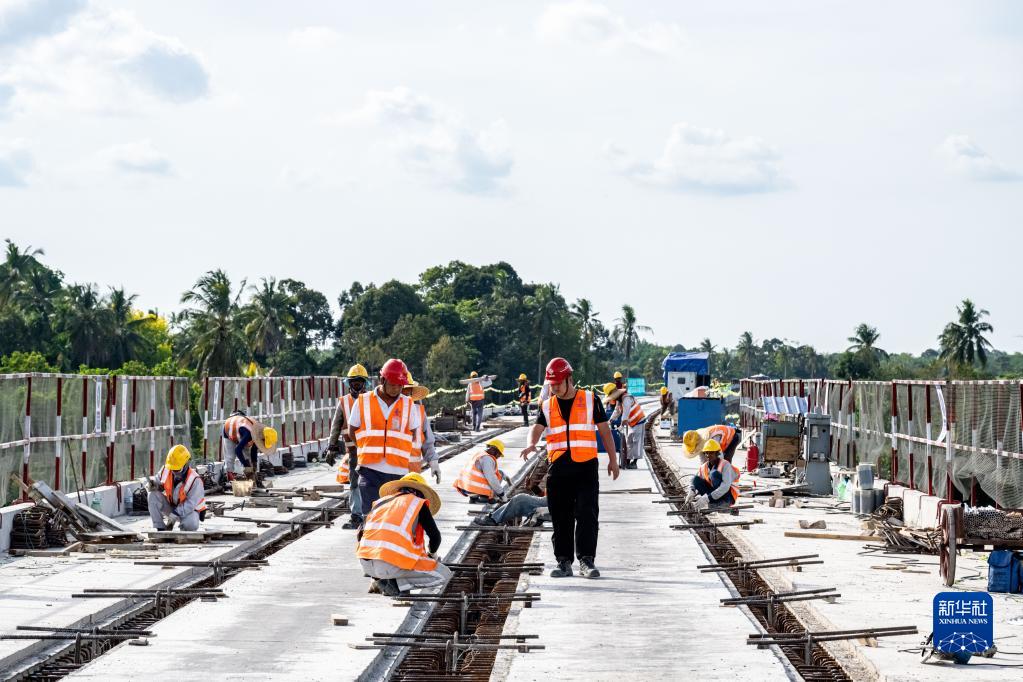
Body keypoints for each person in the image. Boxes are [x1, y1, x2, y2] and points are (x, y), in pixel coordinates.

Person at [521, 357, 619, 579]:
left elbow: (605, 431)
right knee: (560, 516)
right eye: (551, 384)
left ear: (569, 379)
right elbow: (537, 427)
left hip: (585, 467)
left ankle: (586, 560)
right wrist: (531, 443)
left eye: (557, 383)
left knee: (587, 513)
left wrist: (613, 460)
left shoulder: (590, 399)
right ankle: (563, 562)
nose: (554, 388)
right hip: (559, 467)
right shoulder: (547, 405)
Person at [347, 358, 422, 520]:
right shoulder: (363, 401)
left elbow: (414, 435)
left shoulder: (408, 404)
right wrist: (366, 448)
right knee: (371, 517)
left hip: (398, 472)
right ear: (382, 380)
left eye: (400, 385)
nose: (396, 389)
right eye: (393, 384)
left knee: (393, 519)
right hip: (369, 470)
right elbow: (352, 431)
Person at [356, 472, 451, 597]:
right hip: (389, 566)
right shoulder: (417, 503)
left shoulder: (380, 503)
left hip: (366, 566)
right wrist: (432, 555)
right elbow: (435, 536)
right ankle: (395, 584)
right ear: (421, 492)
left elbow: (361, 533)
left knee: (392, 562)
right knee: (444, 575)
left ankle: (380, 580)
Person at [326, 363, 370, 529]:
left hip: (370, 449)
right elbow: (336, 426)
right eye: (354, 382)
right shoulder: (344, 402)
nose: (357, 385)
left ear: (364, 383)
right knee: (354, 482)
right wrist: (331, 447)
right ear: (349, 384)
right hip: (353, 451)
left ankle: (371, 514)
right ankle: (356, 516)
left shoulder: (372, 400)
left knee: (370, 482)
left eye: (359, 382)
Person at [148, 444, 206, 531]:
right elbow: (156, 481)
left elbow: (190, 504)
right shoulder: (166, 470)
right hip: (171, 506)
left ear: (185, 465)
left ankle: (183, 529)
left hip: (188, 512)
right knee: (152, 494)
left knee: (191, 525)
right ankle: (160, 528)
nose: (174, 472)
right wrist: (151, 485)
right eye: (172, 469)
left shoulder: (195, 480)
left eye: (177, 469)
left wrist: (175, 514)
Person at [403, 373, 441, 485]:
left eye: (408, 393)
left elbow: (427, 441)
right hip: (390, 474)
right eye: (403, 392)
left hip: (412, 475)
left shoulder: (419, 413)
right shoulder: (386, 413)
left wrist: (434, 462)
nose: (406, 396)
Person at [222, 412, 278, 481]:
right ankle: (230, 477)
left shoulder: (259, 433)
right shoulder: (249, 434)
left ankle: (250, 478)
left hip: (241, 429)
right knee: (230, 456)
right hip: (229, 427)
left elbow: (254, 449)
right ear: (263, 439)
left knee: (247, 456)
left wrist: (254, 464)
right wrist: (246, 466)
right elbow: (237, 450)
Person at [603, 383, 646, 469]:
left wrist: (621, 426)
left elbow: (625, 413)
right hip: (631, 422)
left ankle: (634, 463)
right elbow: (617, 411)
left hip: (638, 421)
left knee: (636, 442)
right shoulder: (619, 400)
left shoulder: (626, 398)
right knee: (629, 442)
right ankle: (627, 462)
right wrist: (610, 421)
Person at [453, 439, 509, 503]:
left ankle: (474, 498)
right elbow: (492, 479)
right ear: (494, 450)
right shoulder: (487, 459)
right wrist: (502, 495)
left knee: (492, 474)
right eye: (499, 454)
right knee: (496, 477)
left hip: (465, 488)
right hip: (474, 489)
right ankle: (485, 498)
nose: (498, 457)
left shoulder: (479, 454)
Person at [689, 440, 741, 509]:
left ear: (717, 453)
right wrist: (691, 491)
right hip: (714, 495)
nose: (708, 455)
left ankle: (723, 502)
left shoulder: (725, 465)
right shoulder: (704, 467)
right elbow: (694, 479)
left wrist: (707, 498)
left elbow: (725, 487)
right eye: (706, 453)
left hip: (728, 496)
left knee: (714, 474)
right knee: (695, 479)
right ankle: (714, 502)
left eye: (711, 453)